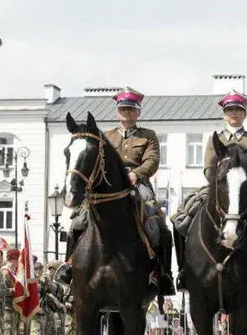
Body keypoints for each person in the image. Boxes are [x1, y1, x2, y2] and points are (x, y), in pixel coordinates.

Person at [56, 86, 176, 296]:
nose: (127, 113)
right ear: (117, 111)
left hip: (137, 184)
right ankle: (69, 266)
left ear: (138, 112)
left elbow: (153, 160)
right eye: (123, 109)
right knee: (78, 221)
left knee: (156, 223)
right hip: (107, 187)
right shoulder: (106, 136)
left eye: (131, 109)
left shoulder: (148, 136)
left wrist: (137, 173)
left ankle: (162, 273)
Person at [172, 90, 247, 298]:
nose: (234, 113)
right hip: (216, 189)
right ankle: (183, 270)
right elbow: (207, 168)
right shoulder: (216, 139)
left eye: (238, 110)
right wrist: (217, 181)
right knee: (181, 219)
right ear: (224, 114)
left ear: (244, 114)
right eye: (230, 110)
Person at [0, 249, 24, 335]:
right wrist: (13, 290)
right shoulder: (5, 272)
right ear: (13, 259)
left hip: (14, 308)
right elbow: (1, 291)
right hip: (7, 309)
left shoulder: (13, 272)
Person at [24, 261, 46, 335]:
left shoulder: (42, 282)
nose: (38, 271)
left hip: (41, 313)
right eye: (36, 269)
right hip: (33, 313)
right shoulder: (30, 282)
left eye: (40, 269)